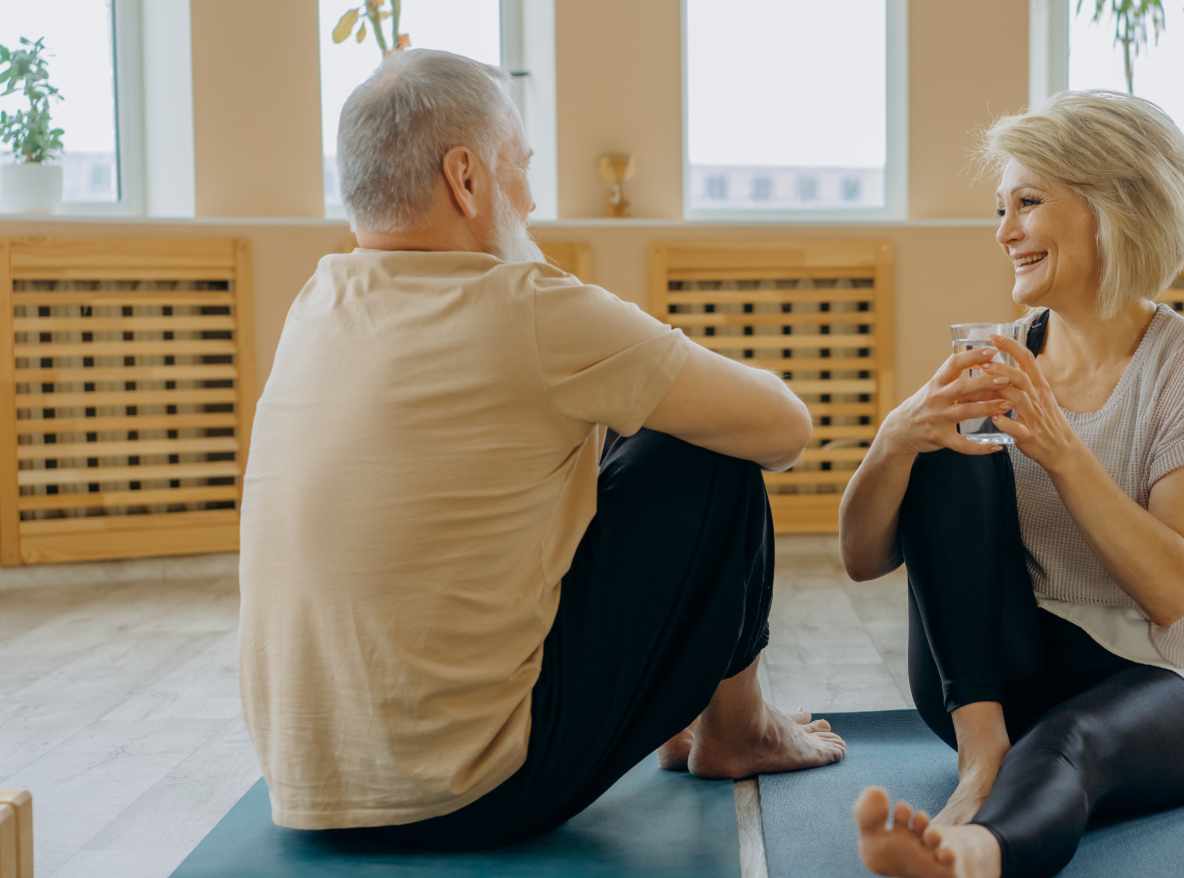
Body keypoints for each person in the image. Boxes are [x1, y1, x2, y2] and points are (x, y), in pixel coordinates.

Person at [238, 49, 844, 848]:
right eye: (518, 168)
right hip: (471, 793)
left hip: (308, 788)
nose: (530, 199)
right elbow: (783, 428)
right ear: (466, 177)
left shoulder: (317, 302)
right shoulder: (524, 307)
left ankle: (697, 719)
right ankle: (740, 731)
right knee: (707, 453)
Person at [842, 90, 1184, 878]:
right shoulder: (994, 358)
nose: (1004, 233)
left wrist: (1062, 449)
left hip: (1151, 680)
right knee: (938, 446)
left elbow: (1172, 592)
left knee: (1072, 744)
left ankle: (970, 855)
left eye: (1028, 203)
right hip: (985, 686)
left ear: (1116, 206)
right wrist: (895, 441)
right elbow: (863, 559)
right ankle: (982, 755)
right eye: (1002, 208)